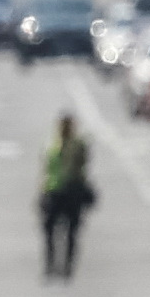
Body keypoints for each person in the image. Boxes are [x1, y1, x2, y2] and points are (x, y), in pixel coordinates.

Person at [37, 115, 94, 280]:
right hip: (54, 191)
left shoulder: (76, 144)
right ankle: (51, 264)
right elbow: (46, 168)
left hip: (70, 192)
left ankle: (66, 266)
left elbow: (82, 164)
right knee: (50, 230)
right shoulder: (53, 145)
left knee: (71, 232)